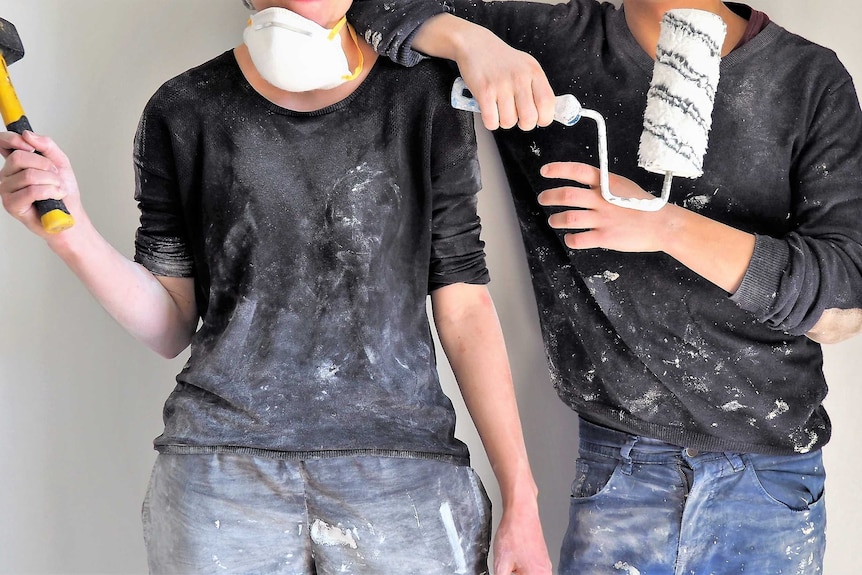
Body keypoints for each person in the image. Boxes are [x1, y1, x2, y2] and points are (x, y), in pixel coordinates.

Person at [0, 1, 553, 573]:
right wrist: (72, 236)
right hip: (220, 472)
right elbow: (170, 326)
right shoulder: (183, 108)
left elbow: (464, 306)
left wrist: (523, 498)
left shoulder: (426, 98)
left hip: (403, 471)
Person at [346, 0, 862, 573]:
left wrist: (665, 226)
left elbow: (843, 300)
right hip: (623, 468)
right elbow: (348, 6)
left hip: (771, 477)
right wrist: (470, 43)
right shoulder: (547, 44)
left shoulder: (808, 78)